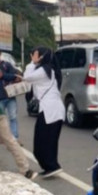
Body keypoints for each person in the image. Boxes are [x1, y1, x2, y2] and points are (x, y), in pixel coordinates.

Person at [23, 47, 64, 179]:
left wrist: (32, 63)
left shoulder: (44, 70)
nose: (33, 56)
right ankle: (51, 166)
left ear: (41, 57)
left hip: (51, 110)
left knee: (43, 141)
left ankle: (52, 166)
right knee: (47, 141)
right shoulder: (47, 70)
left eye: (35, 54)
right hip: (51, 109)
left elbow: (28, 77)